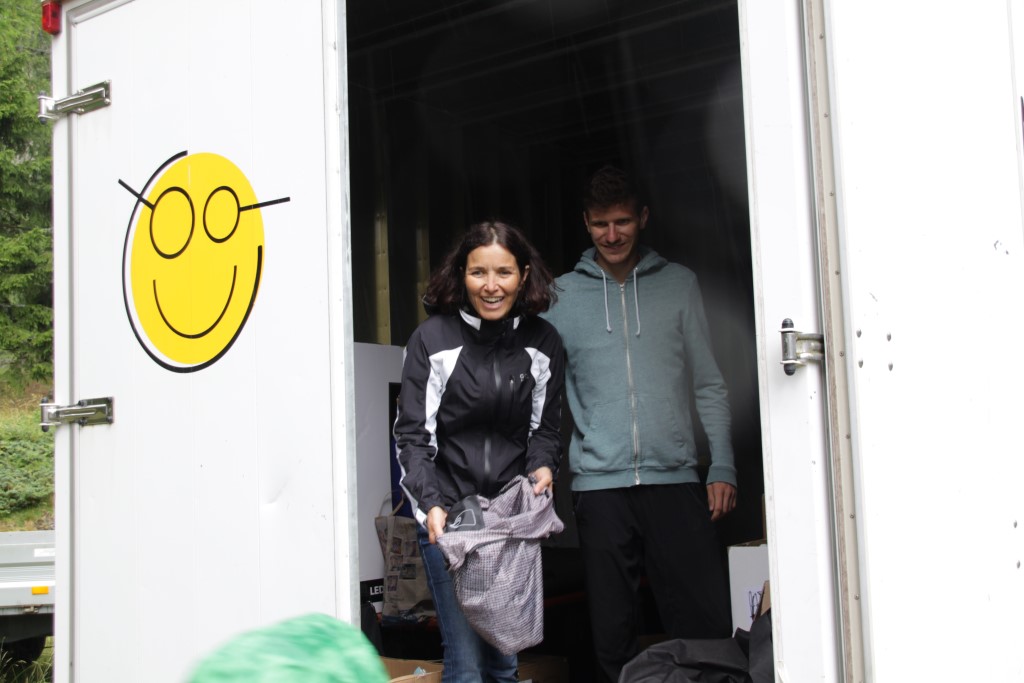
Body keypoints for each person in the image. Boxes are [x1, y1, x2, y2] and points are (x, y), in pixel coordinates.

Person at [540, 165, 737, 683]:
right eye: (600, 224)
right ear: (586, 222)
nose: (611, 235)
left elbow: (709, 383)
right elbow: (541, 396)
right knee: (612, 634)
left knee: (704, 625)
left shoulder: (679, 285)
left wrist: (722, 465)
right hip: (600, 488)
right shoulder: (561, 298)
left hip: (675, 479)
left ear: (643, 218)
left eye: (622, 222)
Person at [392, 220, 564, 683]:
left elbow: (546, 430)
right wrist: (431, 504)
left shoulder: (543, 342)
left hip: (507, 522)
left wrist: (542, 466)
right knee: (466, 664)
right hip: (449, 517)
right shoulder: (432, 340)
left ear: (523, 276)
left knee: (504, 662)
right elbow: (412, 436)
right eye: (478, 272)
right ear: (460, 275)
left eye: (503, 272)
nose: (491, 286)